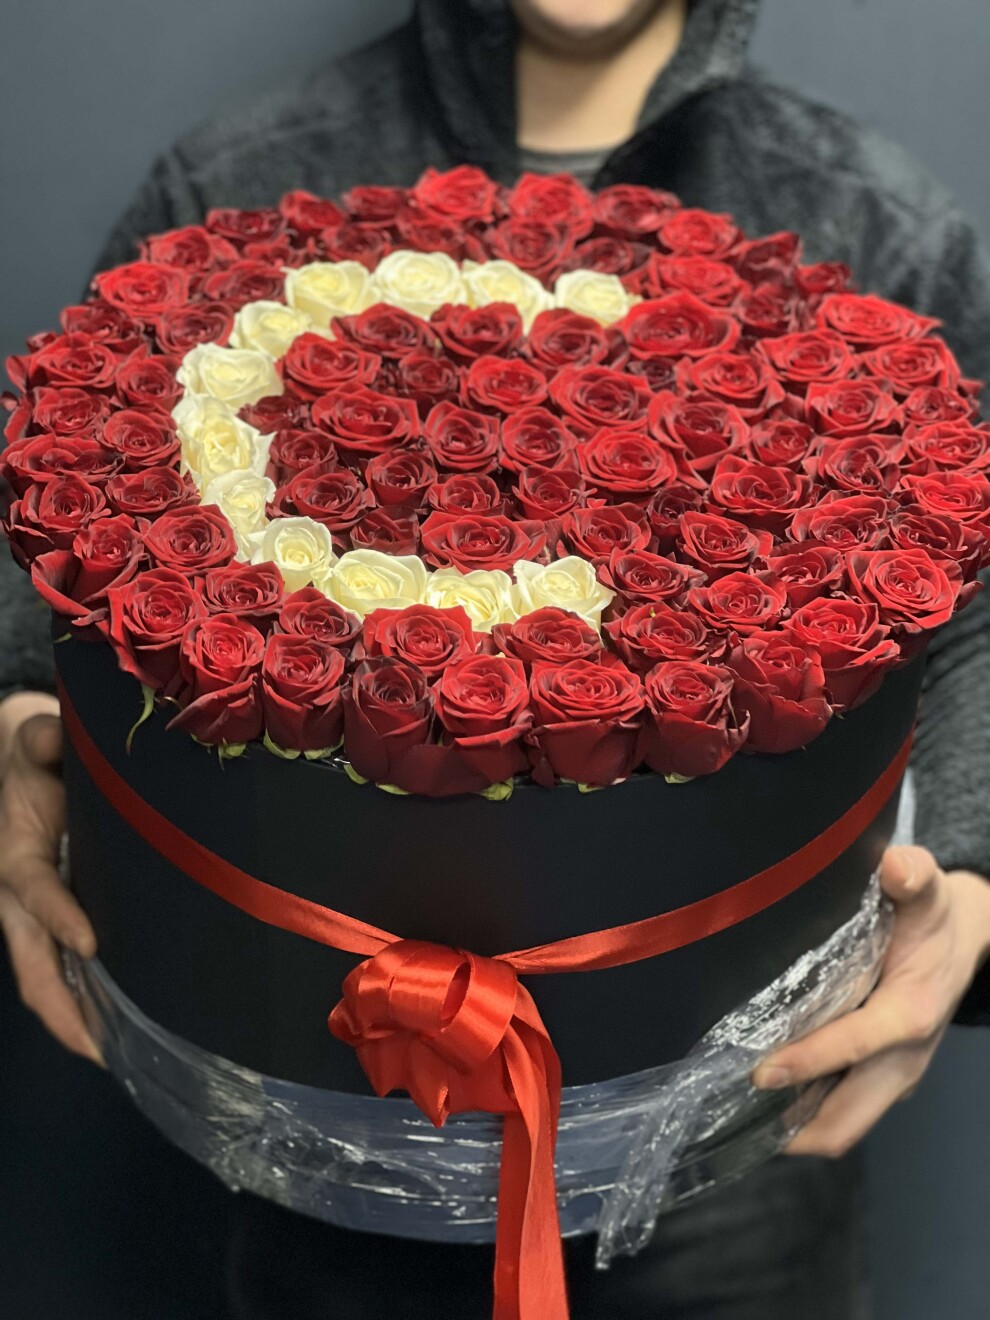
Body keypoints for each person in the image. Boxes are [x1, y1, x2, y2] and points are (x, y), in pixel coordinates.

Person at [2, 1, 990, 1315]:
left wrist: (969, 877)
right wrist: (21, 734)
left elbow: (971, 610)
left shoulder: (874, 214)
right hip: (314, 1119)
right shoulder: (247, 168)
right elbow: (71, 519)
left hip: (735, 1139)